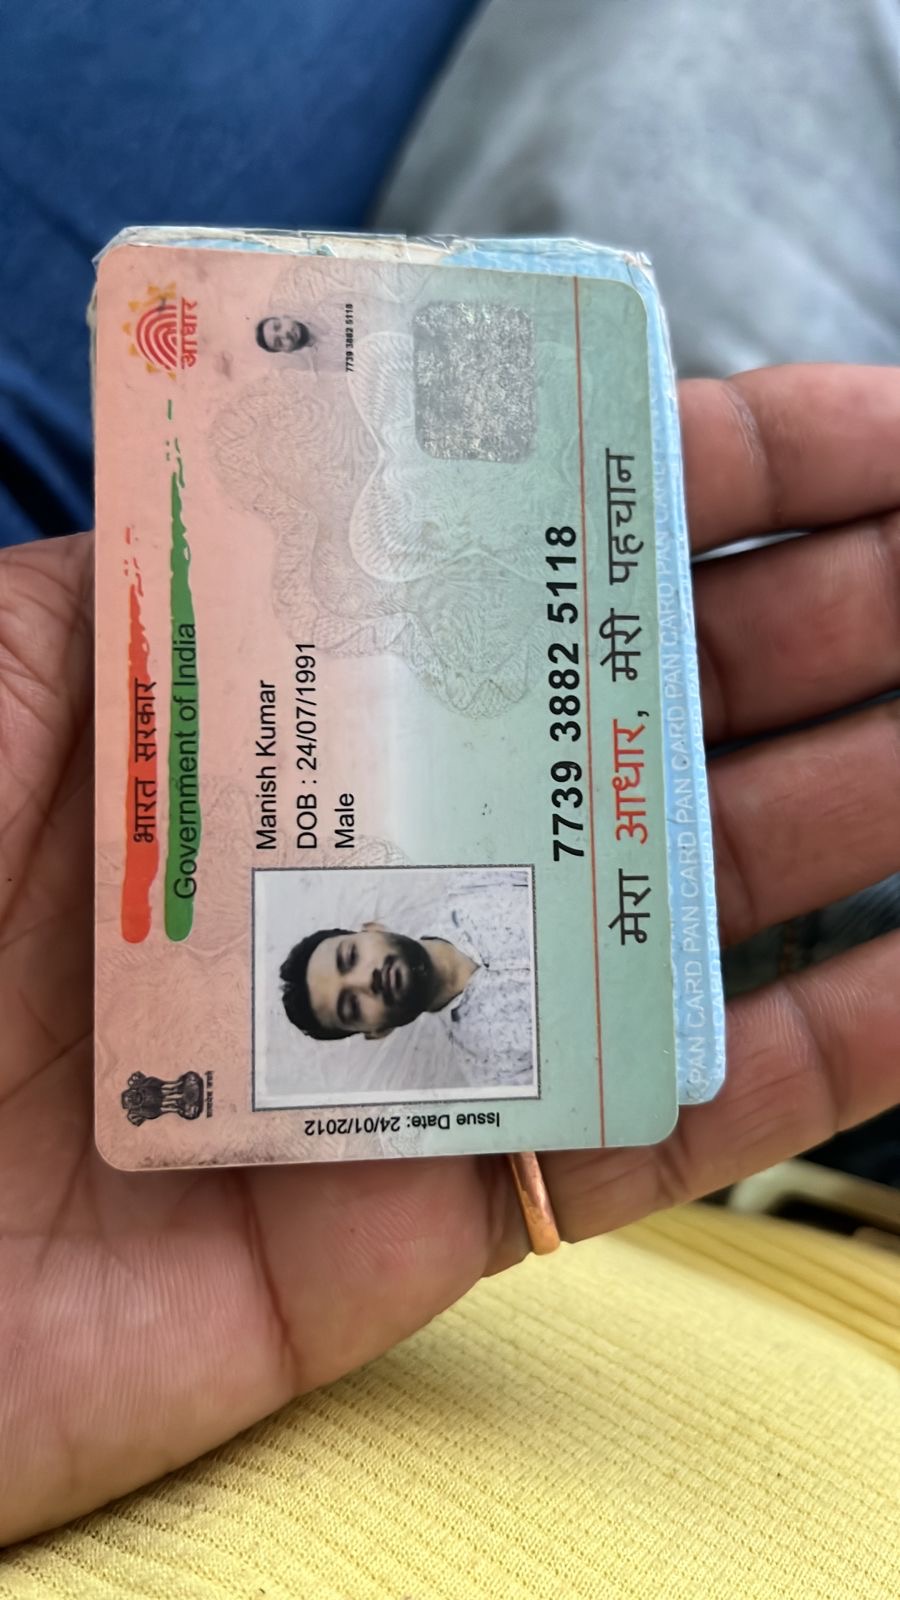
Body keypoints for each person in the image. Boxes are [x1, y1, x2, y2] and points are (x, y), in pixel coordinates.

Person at [2, 362, 899, 1544]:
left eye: (347, 961)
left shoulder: (467, 852)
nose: (369, 983)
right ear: (372, 1032)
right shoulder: (503, 1078)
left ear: (368, 924)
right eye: (353, 1005)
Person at [280, 869, 535, 1086]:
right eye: (353, 1006)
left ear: (373, 929)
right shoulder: (493, 1072)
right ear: (378, 1031)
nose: (366, 981)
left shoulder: (479, 879)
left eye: (351, 957)